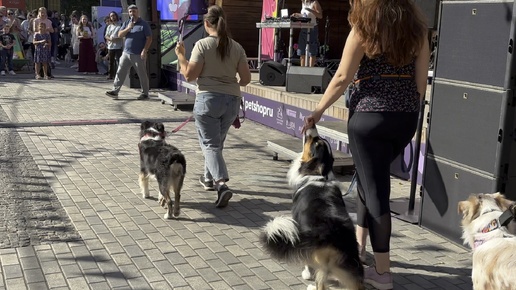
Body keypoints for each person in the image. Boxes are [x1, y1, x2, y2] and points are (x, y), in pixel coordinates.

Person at [302, 1, 429, 289]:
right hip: (405, 119)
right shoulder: (418, 30)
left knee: (376, 194)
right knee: (368, 182)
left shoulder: (364, 28)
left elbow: (342, 77)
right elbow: (420, 84)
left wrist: (318, 110)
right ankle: (358, 251)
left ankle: (382, 273)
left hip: (369, 119)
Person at [175, 5, 251, 208]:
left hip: (208, 99)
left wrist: (181, 55)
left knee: (210, 144)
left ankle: (221, 184)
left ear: (206, 23)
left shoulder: (202, 45)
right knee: (216, 143)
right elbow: (245, 79)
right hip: (232, 100)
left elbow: (190, 75)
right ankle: (209, 179)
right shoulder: (236, 47)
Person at [105, 4, 152, 100]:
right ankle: (115, 91)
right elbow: (120, 34)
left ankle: (145, 93)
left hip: (138, 54)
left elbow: (149, 38)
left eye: (134, 11)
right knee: (120, 71)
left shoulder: (144, 24)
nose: (132, 13)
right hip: (126, 53)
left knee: (142, 74)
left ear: (137, 12)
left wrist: (145, 50)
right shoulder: (127, 23)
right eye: (130, 12)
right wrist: (128, 28)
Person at [291, 0, 322, 67]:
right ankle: (302, 68)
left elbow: (320, 15)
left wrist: (311, 10)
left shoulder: (314, 3)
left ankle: (311, 69)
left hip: (312, 28)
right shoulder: (303, 3)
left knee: (312, 49)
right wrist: (298, 15)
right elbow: (305, 15)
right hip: (304, 27)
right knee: (301, 49)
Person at [104, 11, 123, 80]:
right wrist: (110, 39)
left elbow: (122, 35)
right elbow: (106, 35)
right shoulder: (109, 26)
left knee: (119, 61)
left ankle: (119, 75)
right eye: (111, 16)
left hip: (118, 46)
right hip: (111, 46)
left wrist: (116, 39)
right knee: (110, 62)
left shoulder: (120, 25)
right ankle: (110, 75)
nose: (113, 17)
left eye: (114, 15)